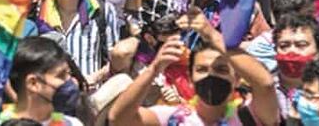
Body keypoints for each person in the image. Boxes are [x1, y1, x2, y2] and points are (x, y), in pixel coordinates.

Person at [109, 7, 279, 126]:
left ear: (236, 78)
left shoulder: (250, 115)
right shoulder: (175, 118)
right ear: (190, 78)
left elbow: (265, 84)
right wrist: (154, 69)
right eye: (201, 70)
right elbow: (119, 118)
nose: (211, 76)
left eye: (221, 70)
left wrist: (211, 34)